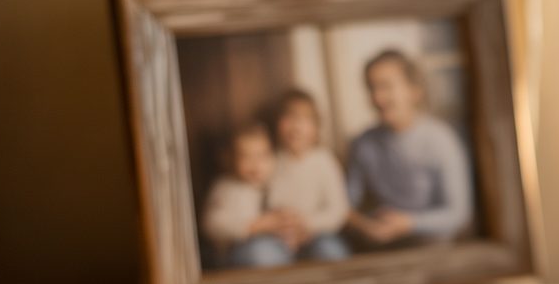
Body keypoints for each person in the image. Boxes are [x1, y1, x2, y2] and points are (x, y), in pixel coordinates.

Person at [345, 49, 474, 248]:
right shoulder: (363, 143)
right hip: (383, 247)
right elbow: (346, 205)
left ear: (414, 91)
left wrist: (408, 223)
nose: (377, 97)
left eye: (386, 86)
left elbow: (458, 214)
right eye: (371, 88)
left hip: (434, 248)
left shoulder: (441, 140)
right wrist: (366, 227)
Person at [200, 117, 347, 269]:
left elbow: (278, 216)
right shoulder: (226, 187)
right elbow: (212, 225)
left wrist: (290, 226)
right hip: (236, 252)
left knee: (324, 249)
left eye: (262, 156)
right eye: (246, 157)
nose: (256, 165)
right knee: (263, 254)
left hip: (277, 246)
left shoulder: (270, 184)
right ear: (230, 159)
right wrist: (253, 226)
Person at [268, 89, 351, 260]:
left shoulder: (324, 161)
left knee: (331, 251)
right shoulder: (270, 161)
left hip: (317, 234)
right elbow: (262, 204)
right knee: (261, 255)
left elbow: (338, 210)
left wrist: (306, 224)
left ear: (316, 127)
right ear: (277, 124)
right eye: (289, 118)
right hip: (277, 236)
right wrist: (279, 225)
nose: (296, 126)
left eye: (305, 119)